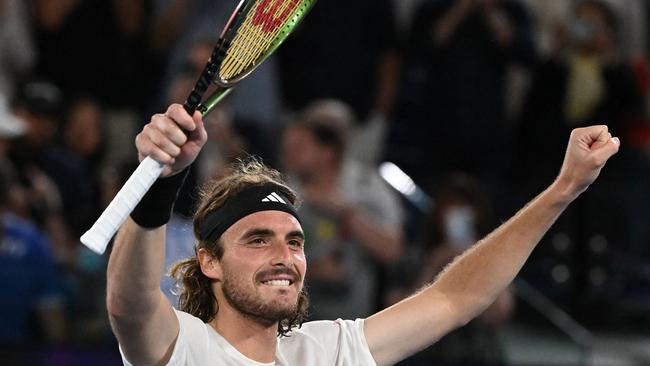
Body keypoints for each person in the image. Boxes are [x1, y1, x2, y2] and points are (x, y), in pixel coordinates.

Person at [107, 103, 619, 365]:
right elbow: (128, 302)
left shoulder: (328, 349)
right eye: (257, 239)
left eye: (294, 240)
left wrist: (565, 188)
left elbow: (456, 297)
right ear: (209, 262)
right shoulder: (183, 346)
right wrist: (162, 179)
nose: (284, 255)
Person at [281, 100, 404, 320]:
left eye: (300, 146)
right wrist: (311, 268)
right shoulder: (281, 192)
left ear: (328, 151)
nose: (290, 154)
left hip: (354, 322)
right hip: (294, 323)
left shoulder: (366, 186)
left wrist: (346, 214)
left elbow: (392, 250)